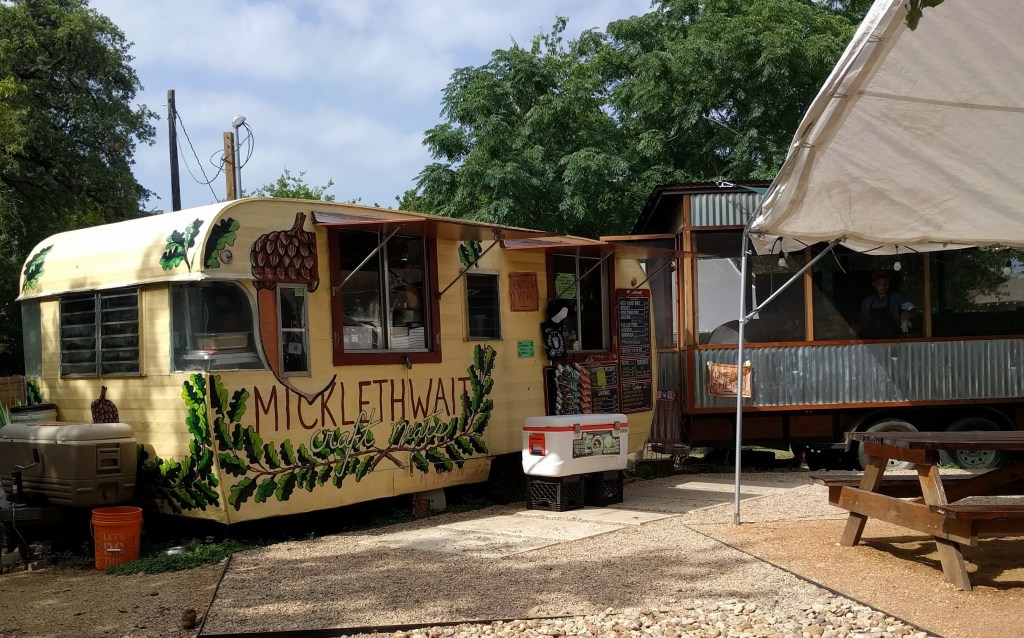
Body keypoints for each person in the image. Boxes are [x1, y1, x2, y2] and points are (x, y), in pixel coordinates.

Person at [858, 270, 914, 338]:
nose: (883, 286)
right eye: (879, 284)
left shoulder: (897, 297)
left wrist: (907, 312)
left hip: (893, 338)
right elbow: (863, 320)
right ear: (874, 284)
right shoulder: (868, 301)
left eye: (886, 283)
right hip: (873, 339)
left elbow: (910, 307)